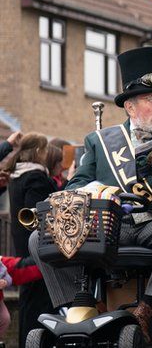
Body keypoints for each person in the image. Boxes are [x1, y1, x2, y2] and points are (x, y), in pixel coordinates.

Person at [30, 46, 152, 341]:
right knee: (39, 238)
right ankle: (78, 309)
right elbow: (75, 186)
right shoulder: (99, 141)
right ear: (130, 107)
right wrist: (94, 190)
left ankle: (145, 310)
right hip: (110, 227)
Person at [9, 132, 57, 347]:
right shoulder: (36, 176)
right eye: (45, 149)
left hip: (22, 245)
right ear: (39, 151)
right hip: (38, 246)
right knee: (39, 303)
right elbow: (38, 211)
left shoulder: (16, 175)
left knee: (28, 300)